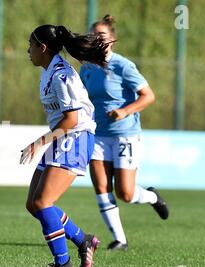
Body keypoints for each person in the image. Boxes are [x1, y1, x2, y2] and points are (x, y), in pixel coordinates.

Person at [20, 24, 108, 267]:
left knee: (43, 202)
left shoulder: (61, 75)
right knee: (33, 204)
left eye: (31, 44)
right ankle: (83, 240)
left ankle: (63, 265)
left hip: (76, 137)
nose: (28, 50)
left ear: (43, 48)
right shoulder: (48, 71)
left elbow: (71, 119)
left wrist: (38, 143)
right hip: (64, 138)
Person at [79, 15, 169, 252]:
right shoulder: (87, 68)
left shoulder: (123, 66)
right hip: (97, 135)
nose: (96, 39)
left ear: (112, 40)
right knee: (101, 186)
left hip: (125, 134)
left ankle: (152, 197)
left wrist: (124, 111)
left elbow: (148, 96)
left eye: (101, 35)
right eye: (92, 35)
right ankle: (120, 240)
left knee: (125, 193)